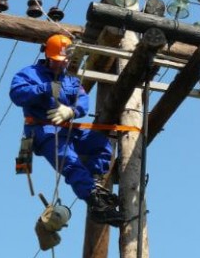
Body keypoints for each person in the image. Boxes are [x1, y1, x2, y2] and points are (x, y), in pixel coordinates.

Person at [10, 34, 124, 227]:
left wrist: (71, 110)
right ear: (47, 56)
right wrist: (45, 89)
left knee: (102, 144)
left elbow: (83, 102)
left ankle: (94, 184)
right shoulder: (29, 74)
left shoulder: (71, 81)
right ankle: (95, 204)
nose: (60, 65)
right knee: (70, 162)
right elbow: (16, 94)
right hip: (44, 132)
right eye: (56, 62)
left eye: (64, 62)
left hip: (69, 130)